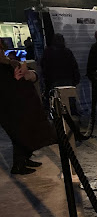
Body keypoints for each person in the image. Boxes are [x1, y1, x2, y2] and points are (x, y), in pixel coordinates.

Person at [0, 40, 56, 175]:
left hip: (18, 106)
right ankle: (19, 165)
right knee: (20, 134)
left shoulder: (7, 63)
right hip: (11, 108)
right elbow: (8, 88)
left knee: (23, 133)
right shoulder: (3, 67)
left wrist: (26, 74)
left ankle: (24, 160)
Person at [41, 33, 81, 103]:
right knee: (70, 102)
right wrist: (75, 80)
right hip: (68, 80)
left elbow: (44, 67)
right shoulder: (67, 52)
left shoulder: (48, 52)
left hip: (54, 81)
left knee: (58, 103)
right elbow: (74, 66)